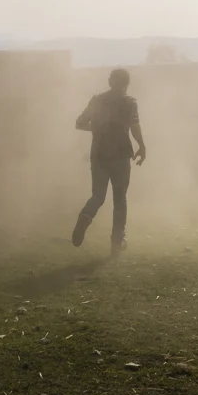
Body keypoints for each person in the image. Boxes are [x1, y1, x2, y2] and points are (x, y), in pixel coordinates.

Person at [71, 68, 146, 256]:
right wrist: (142, 146)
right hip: (120, 155)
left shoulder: (97, 100)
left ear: (110, 81)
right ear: (126, 84)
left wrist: (98, 129)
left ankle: (85, 216)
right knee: (120, 198)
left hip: (99, 153)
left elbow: (79, 123)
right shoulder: (129, 103)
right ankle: (116, 242)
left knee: (98, 195)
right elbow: (135, 127)